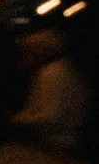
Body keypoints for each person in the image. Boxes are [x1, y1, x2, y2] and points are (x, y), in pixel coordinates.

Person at [14, 27, 87, 155]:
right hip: (69, 141)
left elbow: (51, 116)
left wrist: (18, 120)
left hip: (57, 145)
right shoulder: (65, 68)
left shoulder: (51, 73)